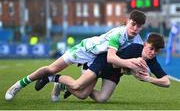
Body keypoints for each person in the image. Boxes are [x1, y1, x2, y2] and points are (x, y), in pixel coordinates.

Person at [5, 10, 147, 101]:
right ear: (128, 21)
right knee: (52, 68)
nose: (135, 29)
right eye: (133, 24)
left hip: (95, 59)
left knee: (83, 94)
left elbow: (138, 60)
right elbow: (111, 58)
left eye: (139, 26)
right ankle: (18, 85)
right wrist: (130, 63)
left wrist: (141, 73)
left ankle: (60, 84)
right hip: (84, 49)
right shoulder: (118, 33)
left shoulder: (138, 41)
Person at [36, 34, 170, 102]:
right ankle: (53, 78)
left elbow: (167, 82)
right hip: (102, 62)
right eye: (151, 48)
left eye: (156, 50)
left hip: (113, 74)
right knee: (82, 93)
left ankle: (64, 86)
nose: (152, 52)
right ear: (145, 44)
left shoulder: (152, 61)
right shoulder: (135, 48)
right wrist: (132, 67)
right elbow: (115, 64)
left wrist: (148, 79)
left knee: (102, 99)